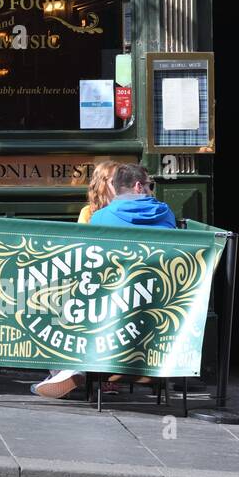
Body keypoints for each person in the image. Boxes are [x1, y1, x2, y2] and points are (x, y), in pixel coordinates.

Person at [33, 163, 176, 399]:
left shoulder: (100, 217)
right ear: (139, 186)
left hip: (111, 303)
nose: (151, 190)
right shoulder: (165, 213)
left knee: (62, 302)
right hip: (158, 303)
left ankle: (73, 367)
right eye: (150, 185)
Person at [77, 159, 118, 224]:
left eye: (122, 181)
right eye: (114, 182)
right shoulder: (87, 213)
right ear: (101, 185)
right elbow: (82, 233)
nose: (120, 186)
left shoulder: (125, 211)